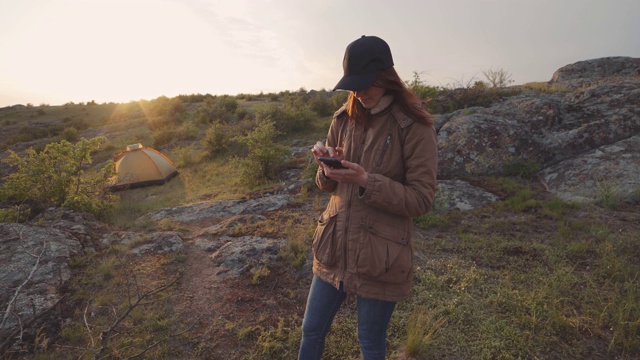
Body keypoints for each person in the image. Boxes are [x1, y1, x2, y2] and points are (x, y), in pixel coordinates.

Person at [298, 35, 439, 360]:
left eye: (364, 84)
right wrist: (326, 169)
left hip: (381, 255)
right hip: (334, 246)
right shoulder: (344, 118)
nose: (358, 93)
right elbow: (328, 187)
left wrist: (365, 181)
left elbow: (421, 199)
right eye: (352, 85)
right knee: (311, 331)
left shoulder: (415, 126)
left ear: (385, 77)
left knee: (370, 343)